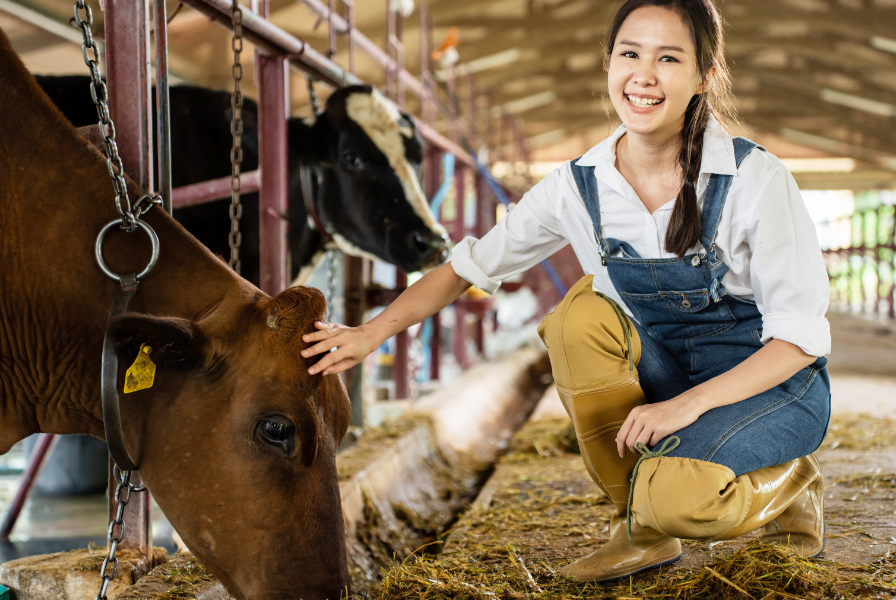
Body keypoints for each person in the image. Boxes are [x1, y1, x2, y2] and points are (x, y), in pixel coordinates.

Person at [302, 0, 831, 583]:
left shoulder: (756, 179)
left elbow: (799, 341)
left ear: (704, 76)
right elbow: (466, 268)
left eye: (668, 58)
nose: (644, 75)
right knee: (577, 317)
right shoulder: (578, 186)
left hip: (771, 384)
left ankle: (791, 482)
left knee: (680, 497)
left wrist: (684, 406)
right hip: (670, 371)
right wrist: (369, 334)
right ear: (608, 64)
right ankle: (641, 531)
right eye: (629, 54)